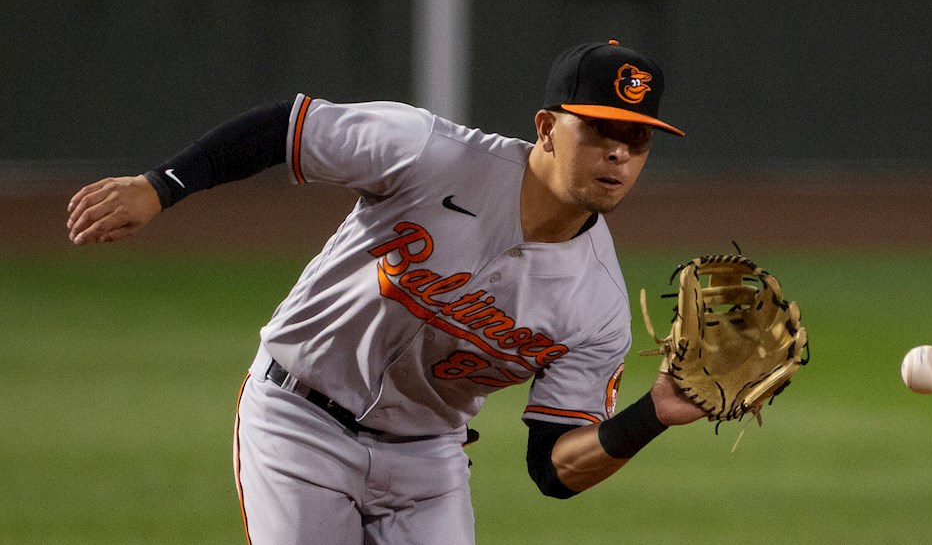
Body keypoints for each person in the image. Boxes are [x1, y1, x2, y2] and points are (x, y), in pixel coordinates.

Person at [66, 39, 706, 544]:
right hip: (301, 424)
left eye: (636, 138)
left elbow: (553, 469)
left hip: (428, 463)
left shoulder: (598, 305)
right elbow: (289, 127)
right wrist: (161, 186)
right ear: (545, 127)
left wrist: (652, 414)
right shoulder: (429, 153)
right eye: (599, 130)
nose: (619, 153)